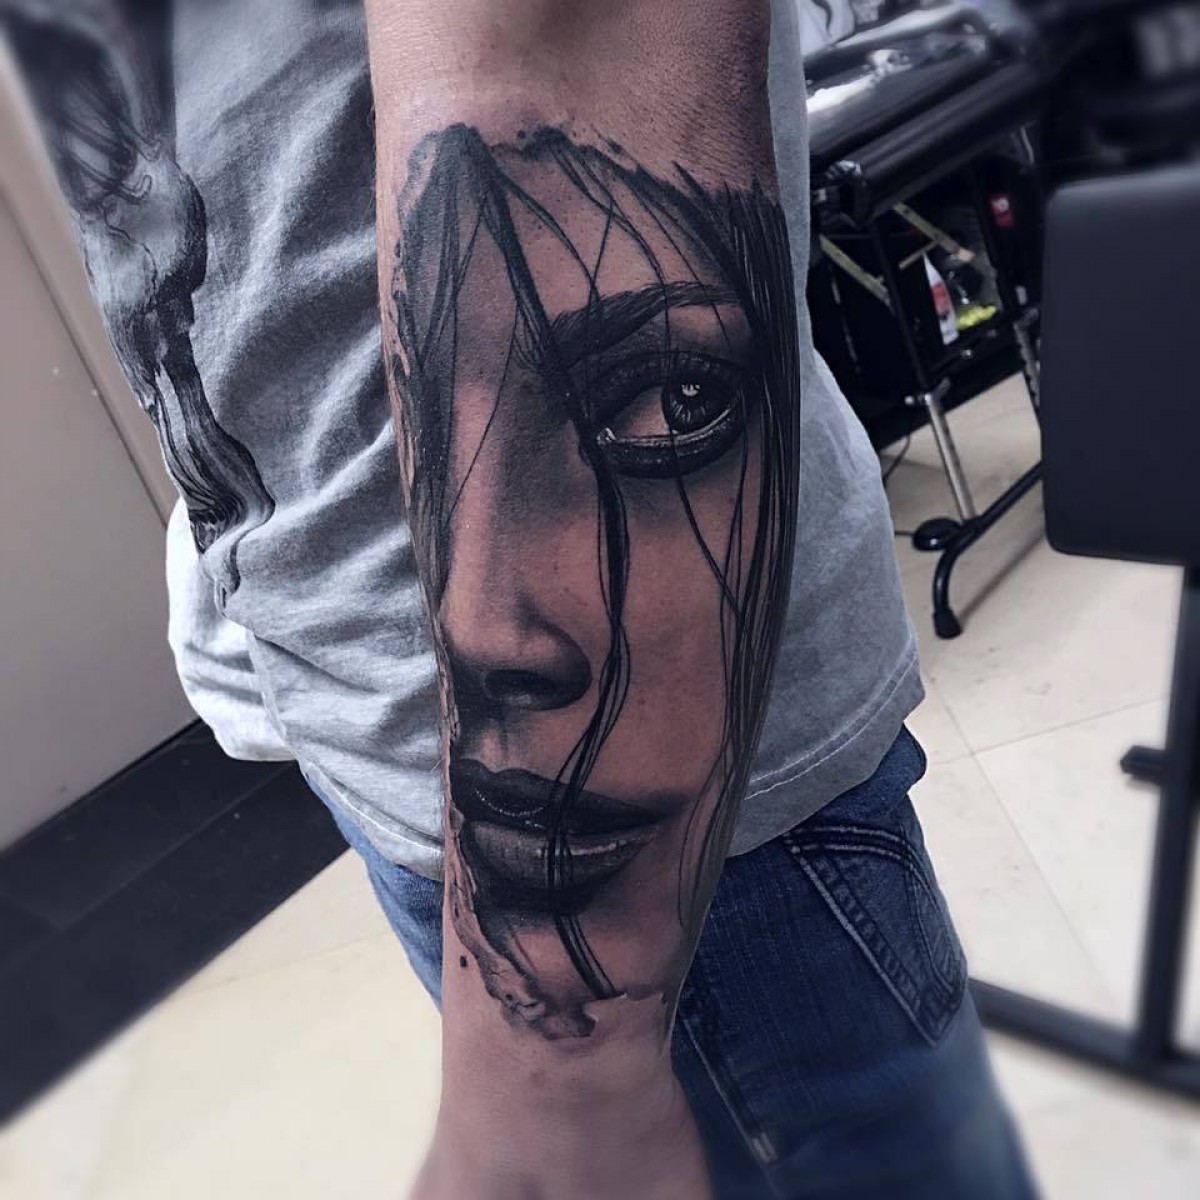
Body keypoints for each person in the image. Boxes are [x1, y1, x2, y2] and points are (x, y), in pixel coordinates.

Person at [4, 0, 1039, 1196]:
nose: (510, 642)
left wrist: (566, 1046)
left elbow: (580, 44)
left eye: (662, 407)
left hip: (664, 824)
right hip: (374, 707)